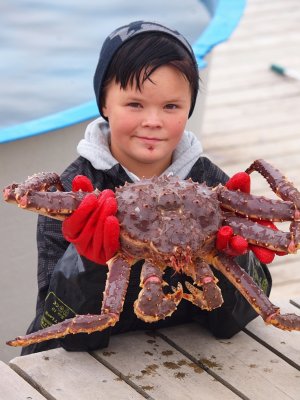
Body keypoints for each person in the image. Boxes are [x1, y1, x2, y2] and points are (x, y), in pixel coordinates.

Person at [21, 21, 273, 355]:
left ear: (188, 109)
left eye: (171, 106)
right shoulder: (72, 197)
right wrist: (87, 261)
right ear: (104, 104)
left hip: (195, 362)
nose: (153, 120)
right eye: (135, 104)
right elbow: (55, 330)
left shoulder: (214, 188)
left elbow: (239, 320)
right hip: (88, 368)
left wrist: (236, 257)